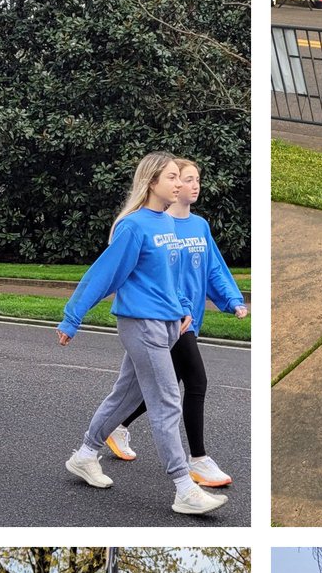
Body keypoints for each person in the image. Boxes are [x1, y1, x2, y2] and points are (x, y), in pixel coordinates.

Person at [56, 152, 226, 516]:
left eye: (181, 178)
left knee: (125, 396)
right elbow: (103, 275)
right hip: (141, 323)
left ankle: (85, 454)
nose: (180, 184)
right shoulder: (134, 227)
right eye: (173, 178)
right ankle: (184, 486)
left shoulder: (164, 223)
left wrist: (181, 306)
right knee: (165, 400)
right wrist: (72, 318)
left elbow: (170, 275)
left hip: (167, 323)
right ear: (152, 182)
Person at [104, 158, 247, 489]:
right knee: (196, 381)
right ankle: (197, 460)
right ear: (171, 185)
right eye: (185, 179)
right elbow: (151, 275)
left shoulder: (200, 226)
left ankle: (117, 425)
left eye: (197, 179)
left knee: (164, 383)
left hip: (190, 318)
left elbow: (214, 268)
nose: (193, 185)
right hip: (166, 317)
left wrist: (232, 299)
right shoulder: (155, 226)